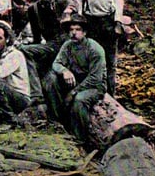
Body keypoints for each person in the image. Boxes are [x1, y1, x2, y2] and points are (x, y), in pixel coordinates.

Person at [42, 14, 107, 146]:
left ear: (84, 32)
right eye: (71, 30)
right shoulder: (68, 45)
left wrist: (74, 92)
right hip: (75, 80)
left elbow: (95, 78)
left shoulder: (95, 49)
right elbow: (56, 64)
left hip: (94, 86)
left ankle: (81, 137)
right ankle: (57, 122)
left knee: (79, 100)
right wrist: (64, 71)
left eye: (77, 30)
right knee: (50, 79)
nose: (73, 33)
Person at [73, 0, 125, 97]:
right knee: (92, 58)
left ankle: (111, 93)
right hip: (91, 22)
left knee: (110, 61)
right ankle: (94, 92)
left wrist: (118, 21)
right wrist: (80, 21)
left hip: (108, 21)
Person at [18, 0, 76, 98]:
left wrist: (67, 12)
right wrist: (34, 48)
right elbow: (36, 36)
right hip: (50, 45)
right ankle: (36, 93)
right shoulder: (34, 9)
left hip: (66, 44)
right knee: (23, 51)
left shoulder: (60, 2)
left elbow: (74, 3)